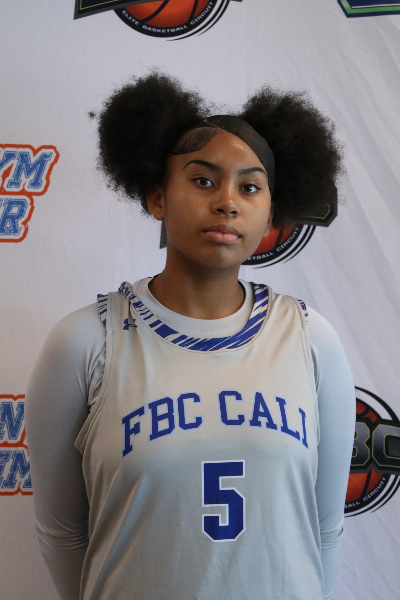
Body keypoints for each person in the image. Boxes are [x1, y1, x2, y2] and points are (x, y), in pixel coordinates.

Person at [26, 72, 355, 600]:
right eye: (203, 181)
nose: (227, 201)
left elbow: (325, 530)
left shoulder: (311, 339)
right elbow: (62, 532)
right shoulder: (85, 342)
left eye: (250, 187)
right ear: (158, 197)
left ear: (271, 213)